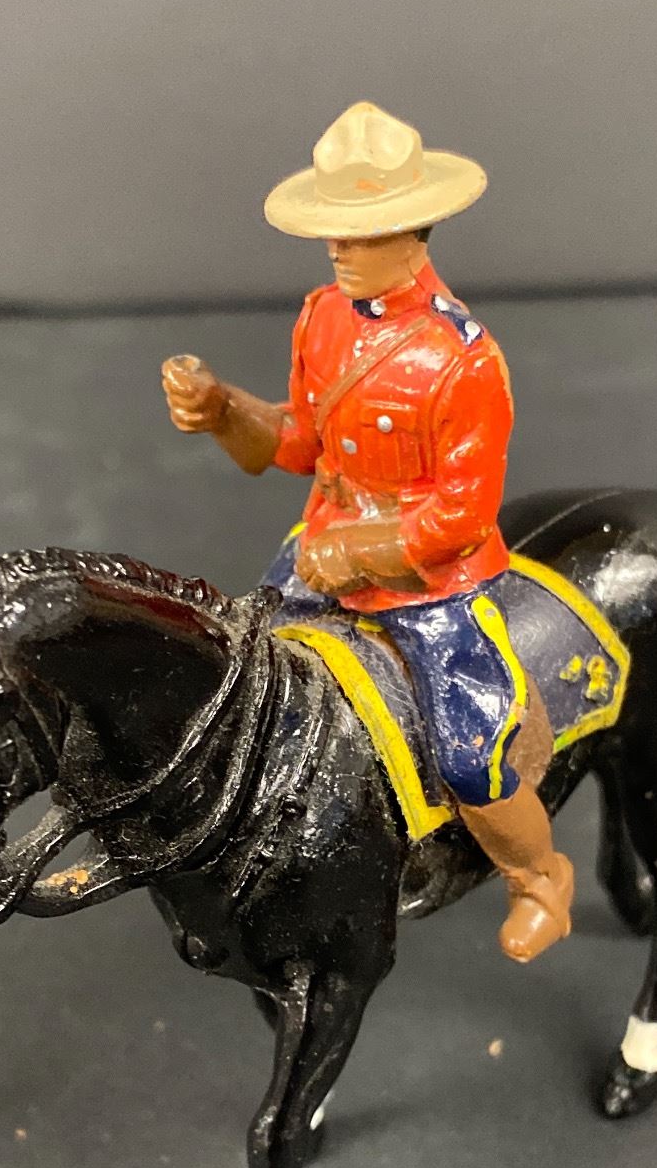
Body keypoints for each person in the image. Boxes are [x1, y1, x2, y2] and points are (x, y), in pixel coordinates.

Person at [161, 101, 573, 961]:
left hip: (429, 587)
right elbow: (300, 442)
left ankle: (540, 876)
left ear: (412, 232)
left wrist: (356, 553)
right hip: (319, 547)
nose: (337, 249)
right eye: (333, 233)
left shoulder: (462, 358)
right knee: (236, 672)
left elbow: (461, 515)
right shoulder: (322, 317)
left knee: (469, 752)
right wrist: (224, 409)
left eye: (357, 233)